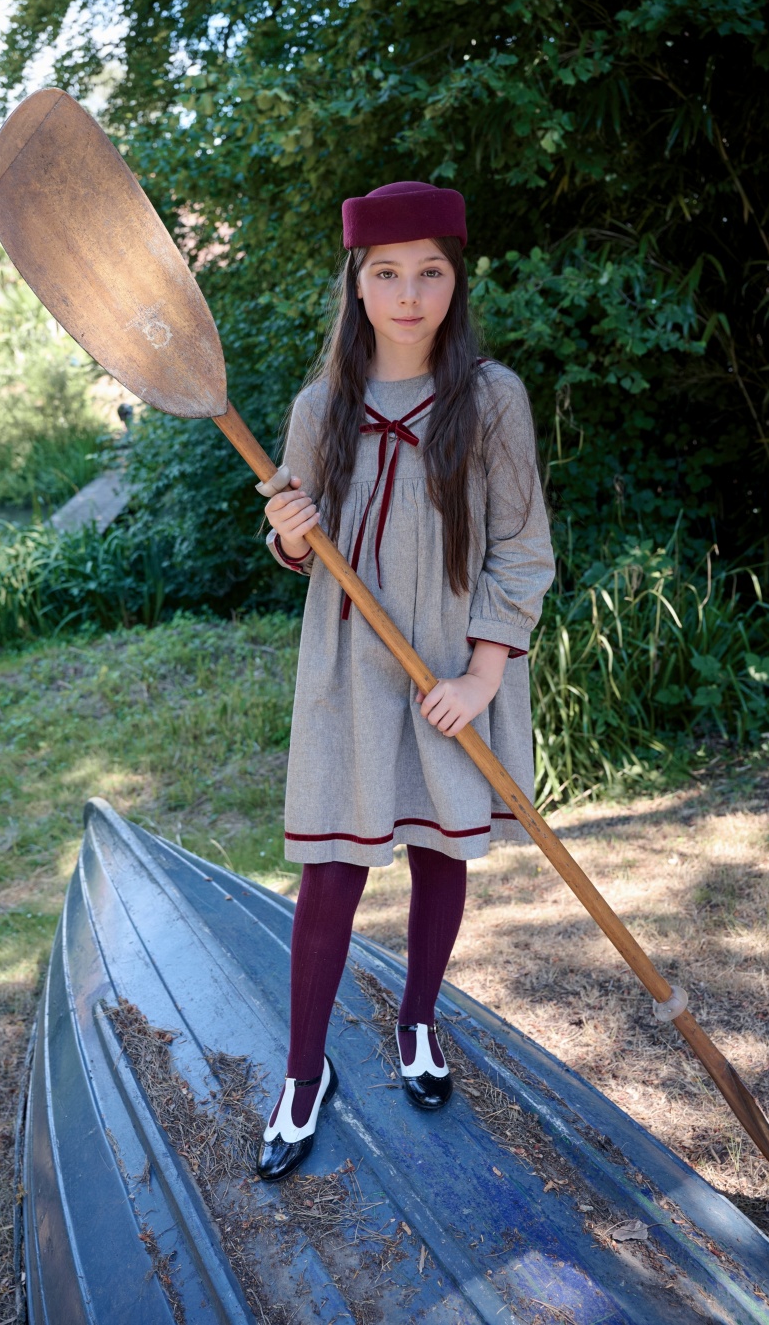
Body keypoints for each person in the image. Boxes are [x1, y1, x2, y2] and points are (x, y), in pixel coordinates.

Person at [256, 181, 555, 1182]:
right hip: (350, 665)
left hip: (450, 664)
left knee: (439, 848)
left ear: (456, 280)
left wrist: (482, 676)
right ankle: (304, 1075)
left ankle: (418, 1020)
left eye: (430, 271)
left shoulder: (492, 397)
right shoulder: (319, 408)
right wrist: (287, 533)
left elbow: (522, 547)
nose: (410, 294)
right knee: (331, 868)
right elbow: (296, 547)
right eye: (387, 273)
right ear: (357, 283)